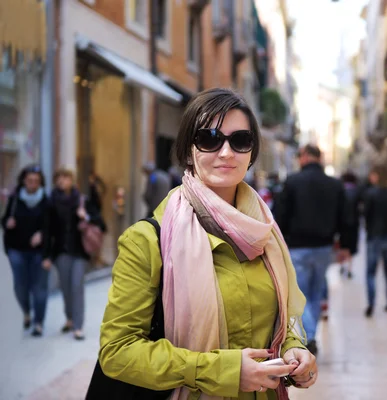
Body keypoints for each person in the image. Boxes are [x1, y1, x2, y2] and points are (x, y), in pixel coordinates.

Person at [98, 88, 317, 399]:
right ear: (188, 151)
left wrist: (293, 351)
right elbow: (117, 351)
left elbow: (277, 325)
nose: (226, 152)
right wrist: (223, 371)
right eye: (209, 138)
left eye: (240, 140)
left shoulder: (264, 232)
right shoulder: (148, 241)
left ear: (251, 154)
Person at [276, 144, 350, 356]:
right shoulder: (334, 184)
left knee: (300, 294)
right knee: (316, 293)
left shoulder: (292, 182)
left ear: (306, 156)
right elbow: (346, 218)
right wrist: (346, 245)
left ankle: (309, 336)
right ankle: (311, 334)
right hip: (324, 247)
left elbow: (280, 215)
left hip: (298, 247)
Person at [45, 168, 106, 340]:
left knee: (76, 287)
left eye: (65, 178)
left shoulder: (82, 201)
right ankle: (70, 318)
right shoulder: (51, 202)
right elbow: (48, 230)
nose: (62, 181)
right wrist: (48, 256)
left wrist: (85, 216)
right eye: (59, 178)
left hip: (80, 252)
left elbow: (101, 224)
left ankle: (78, 326)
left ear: (72, 180)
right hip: (61, 252)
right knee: (65, 288)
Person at [1, 165, 51, 337]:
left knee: (39, 288)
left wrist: (42, 235)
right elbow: (4, 220)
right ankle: (26, 312)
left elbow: (52, 228)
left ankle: (38, 322)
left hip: (39, 253)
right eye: (30, 180)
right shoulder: (15, 199)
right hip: (17, 250)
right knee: (20, 287)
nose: (33, 184)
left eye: (36, 181)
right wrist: (7, 223)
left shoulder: (46, 201)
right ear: (23, 181)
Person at [363, 165, 387, 318]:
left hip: (374, 236)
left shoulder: (371, 193)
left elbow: (366, 215)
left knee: (371, 272)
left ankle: (371, 303)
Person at [339, 171, 361, 279]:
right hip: (354, 224)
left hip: (342, 224)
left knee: (343, 246)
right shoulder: (357, 191)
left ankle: (343, 265)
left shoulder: (340, 191)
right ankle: (349, 268)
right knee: (351, 248)